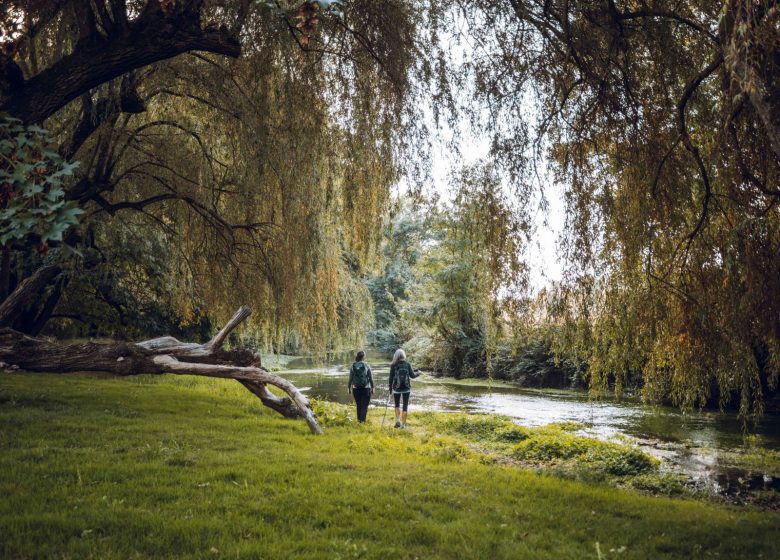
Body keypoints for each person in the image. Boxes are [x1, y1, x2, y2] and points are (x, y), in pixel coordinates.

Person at [388, 348, 420, 429]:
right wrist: (418, 373)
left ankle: (398, 420)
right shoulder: (407, 364)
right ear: (403, 355)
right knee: (405, 406)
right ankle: (403, 425)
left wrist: (390, 389)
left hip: (396, 388)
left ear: (396, 356)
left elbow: (390, 378)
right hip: (406, 388)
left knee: (397, 404)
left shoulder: (393, 365)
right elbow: (412, 376)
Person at [348, 350, 374, 422]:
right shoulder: (366, 365)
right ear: (363, 357)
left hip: (355, 388)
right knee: (364, 405)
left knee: (359, 405)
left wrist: (349, 388)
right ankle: (362, 421)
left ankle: (359, 420)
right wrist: (373, 388)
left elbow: (350, 378)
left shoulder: (353, 366)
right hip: (366, 388)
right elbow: (371, 378)